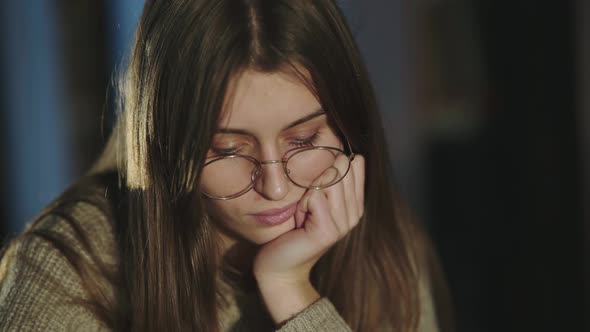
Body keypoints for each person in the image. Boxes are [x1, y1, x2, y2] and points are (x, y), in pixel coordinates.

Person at [0, 0, 452, 331]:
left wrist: (292, 291)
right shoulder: (73, 268)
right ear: (167, 147)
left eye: (304, 139)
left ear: (350, 126)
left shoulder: (383, 247)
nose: (275, 187)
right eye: (228, 150)